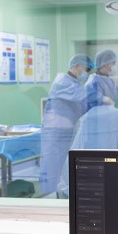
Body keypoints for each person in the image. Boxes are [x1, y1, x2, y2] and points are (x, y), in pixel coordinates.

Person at [38, 53, 93, 194]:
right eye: (86, 69)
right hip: (56, 133)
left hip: (66, 132)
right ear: (77, 66)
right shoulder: (63, 81)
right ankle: (48, 198)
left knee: (63, 167)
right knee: (53, 166)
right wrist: (100, 95)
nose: (87, 73)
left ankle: (61, 195)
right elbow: (82, 96)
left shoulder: (74, 83)